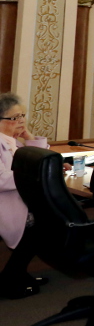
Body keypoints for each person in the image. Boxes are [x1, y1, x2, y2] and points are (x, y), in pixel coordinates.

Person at [0, 93, 49, 299]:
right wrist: (34, 175)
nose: (21, 121)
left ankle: (18, 274)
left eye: (22, 116)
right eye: (14, 118)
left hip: (21, 201)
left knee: (47, 222)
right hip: (5, 204)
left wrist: (29, 137)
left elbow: (41, 159)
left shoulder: (12, 141)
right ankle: (9, 281)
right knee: (41, 228)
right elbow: (1, 179)